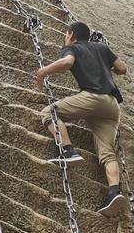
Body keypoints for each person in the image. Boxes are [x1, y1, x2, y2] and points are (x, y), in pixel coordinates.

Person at [36, 20, 128, 215]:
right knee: (107, 151)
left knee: (48, 112)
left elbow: (67, 63)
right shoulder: (102, 48)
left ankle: (68, 151)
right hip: (111, 106)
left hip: (92, 97)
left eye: (66, 35)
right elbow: (122, 68)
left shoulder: (73, 48)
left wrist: (43, 71)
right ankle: (114, 192)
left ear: (71, 35)